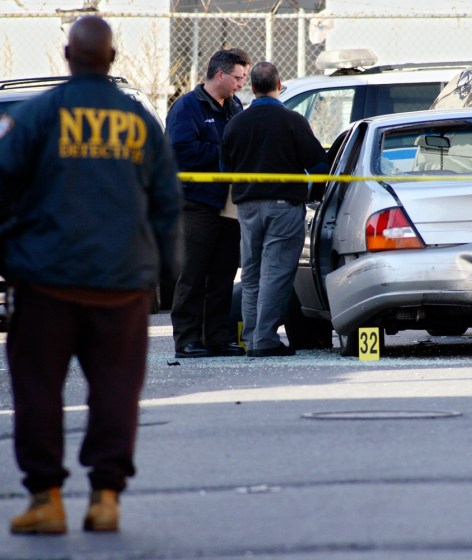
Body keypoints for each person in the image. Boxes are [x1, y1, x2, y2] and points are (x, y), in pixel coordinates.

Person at [0, 16, 182, 534]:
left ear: (67, 54)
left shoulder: (38, 116)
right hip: (122, 283)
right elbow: (168, 203)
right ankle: (105, 498)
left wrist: (10, 248)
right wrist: (166, 272)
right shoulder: (138, 121)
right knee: (117, 388)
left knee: (37, 388)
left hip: (45, 279)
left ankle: (46, 499)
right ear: (112, 58)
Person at [220, 61, 329, 357]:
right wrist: (313, 195)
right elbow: (319, 166)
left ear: (252, 88)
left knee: (252, 274)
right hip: (283, 207)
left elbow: (223, 167)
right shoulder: (292, 121)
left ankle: (255, 337)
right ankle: (265, 339)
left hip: (246, 208)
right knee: (277, 273)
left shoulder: (236, 123)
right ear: (279, 85)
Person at [166, 49, 251, 358]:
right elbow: (180, 151)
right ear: (220, 75)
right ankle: (186, 339)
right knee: (193, 272)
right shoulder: (186, 107)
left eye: (244, 77)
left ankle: (218, 336)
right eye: (238, 77)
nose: (242, 83)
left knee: (223, 272)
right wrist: (223, 156)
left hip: (228, 203)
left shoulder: (234, 106)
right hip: (196, 202)